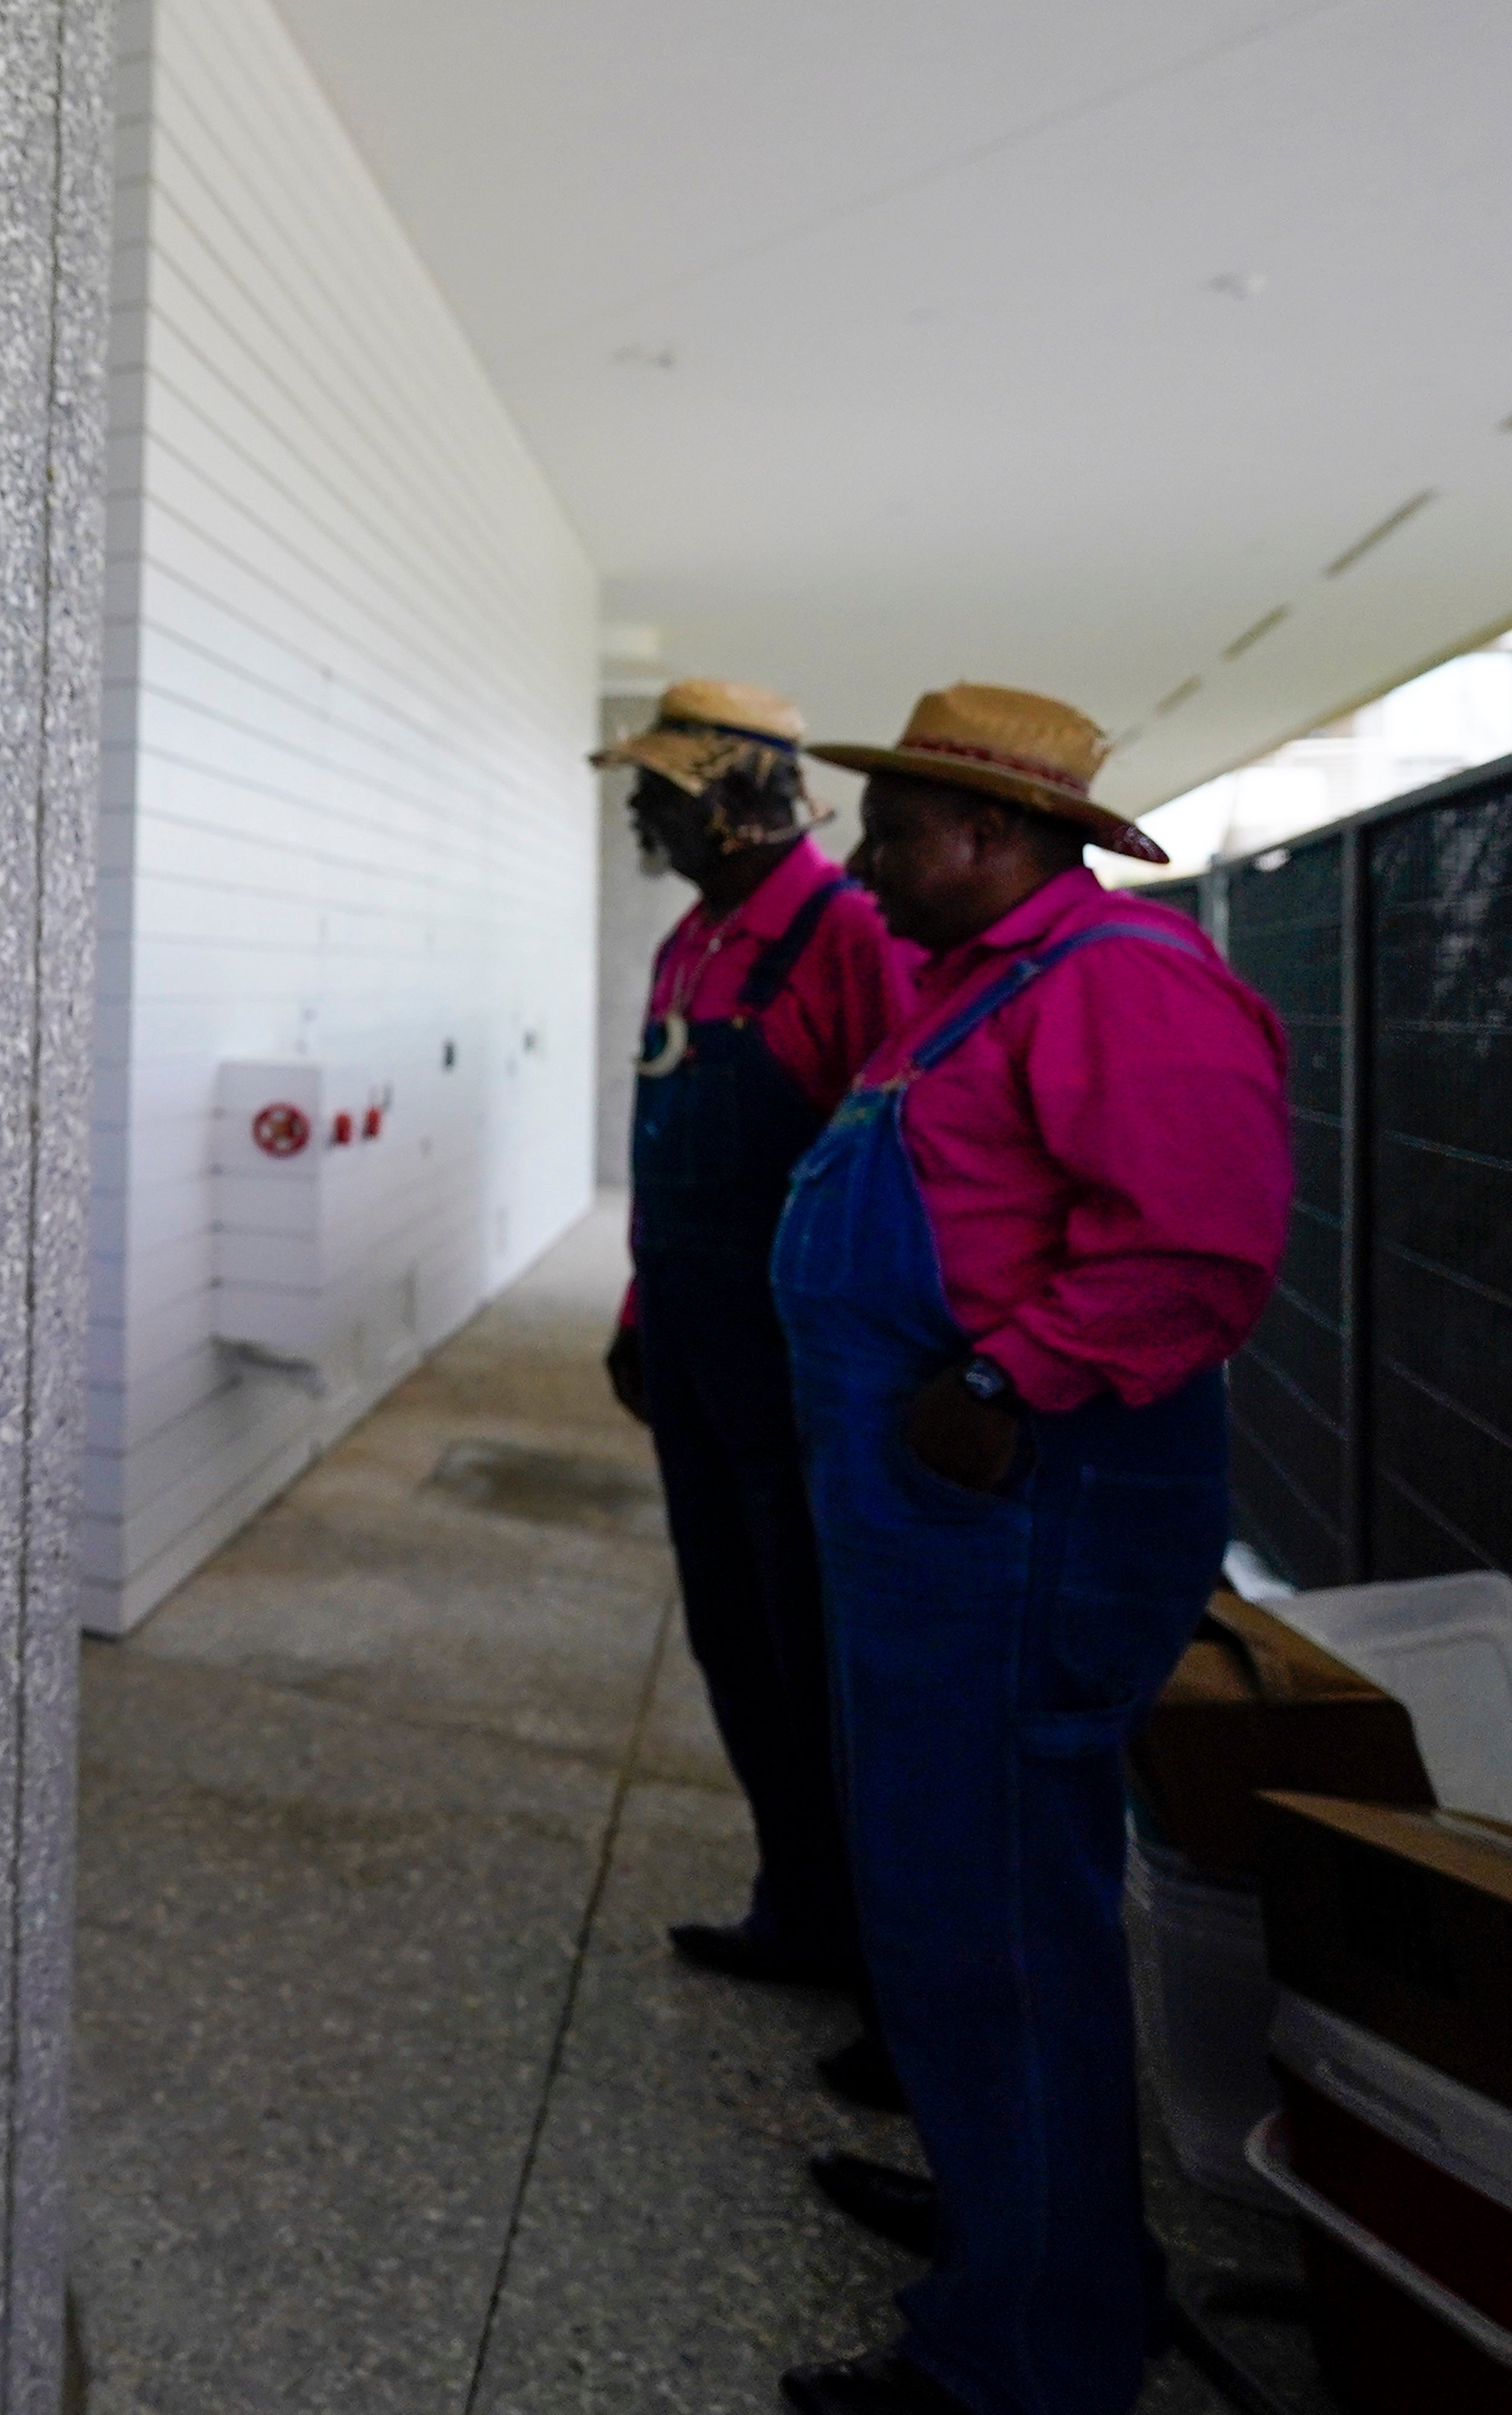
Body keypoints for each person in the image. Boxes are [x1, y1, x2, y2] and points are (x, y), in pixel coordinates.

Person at [769, 685, 1289, 2415]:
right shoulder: (970, 989)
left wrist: (1005, 1379)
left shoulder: (1121, 983)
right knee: (949, 1911)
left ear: (996, 837)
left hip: (1018, 1528)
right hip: (930, 1537)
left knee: (998, 1925)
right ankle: (1028, 2227)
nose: (865, 858)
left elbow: (1200, 1248)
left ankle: (1031, 2353)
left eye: (895, 828)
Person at [595, 679, 902, 1997]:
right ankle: (800, 1905)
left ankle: (882, 1954)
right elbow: (666, 1154)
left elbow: (900, 1167)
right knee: (729, 1628)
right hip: (688, 1330)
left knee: (816, 1648)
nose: (636, 809)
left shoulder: (854, 937)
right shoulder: (689, 939)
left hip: (797, 1359)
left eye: (658, 788)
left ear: (734, 796)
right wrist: (636, 1311)